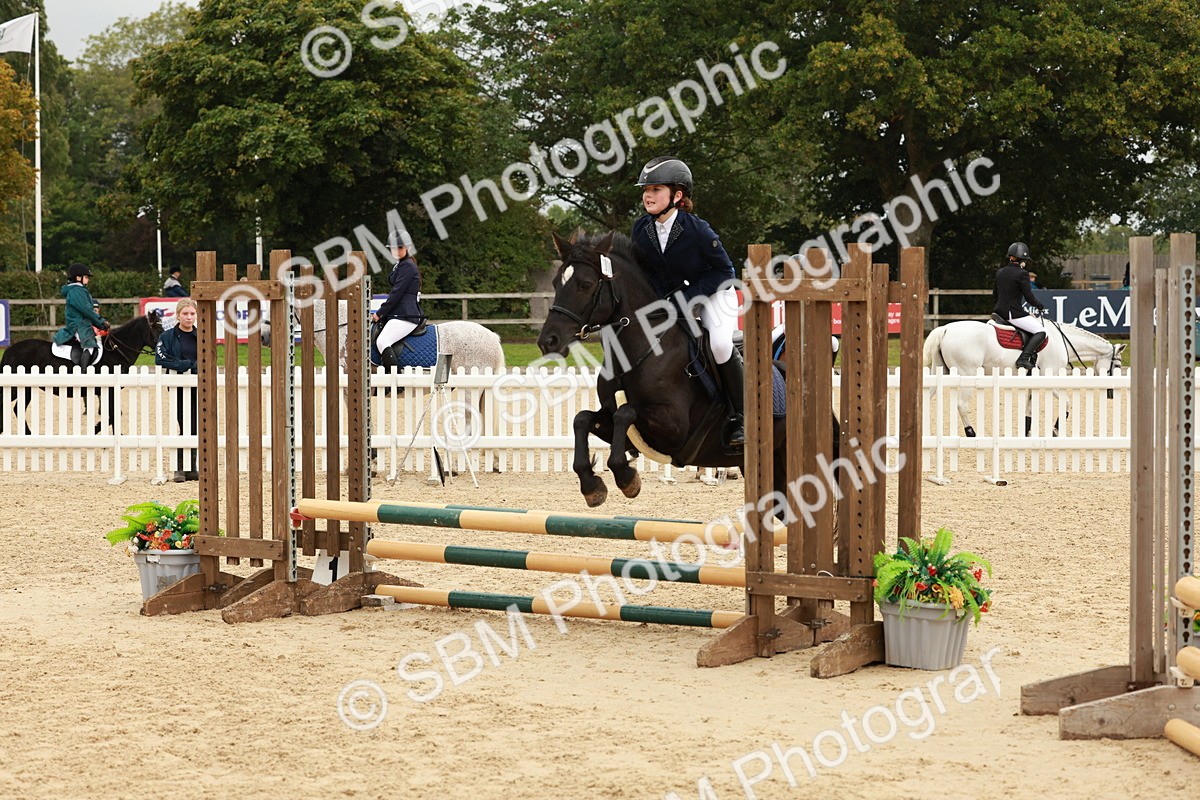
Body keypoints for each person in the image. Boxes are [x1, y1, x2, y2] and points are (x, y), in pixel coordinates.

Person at [631, 155, 743, 447]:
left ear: (677, 195)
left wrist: (685, 299)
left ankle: (740, 416)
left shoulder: (697, 230)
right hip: (672, 301)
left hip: (715, 295)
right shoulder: (641, 230)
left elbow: (724, 271)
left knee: (718, 344)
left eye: (655, 189)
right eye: (646, 189)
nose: (647, 195)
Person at [155, 298, 199, 482]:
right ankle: (178, 467)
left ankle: (192, 466)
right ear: (178, 315)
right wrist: (181, 364)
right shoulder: (167, 336)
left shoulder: (202, 334)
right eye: (185, 314)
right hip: (177, 385)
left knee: (196, 424)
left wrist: (195, 365)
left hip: (198, 384)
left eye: (192, 314)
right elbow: (160, 357)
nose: (189, 317)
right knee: (181, 423)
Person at [371, 229, 425, 369]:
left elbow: (397, 293)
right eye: (393, 248)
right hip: (399, 313)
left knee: (382, 341)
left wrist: (379, 313)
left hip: (406, 315)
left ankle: (397, 381)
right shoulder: (400, 264)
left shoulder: (407, 265)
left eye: (400, 247)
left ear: (408, 248)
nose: (396, 251)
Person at [993, 242, 1047, 373]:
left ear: (1010, 257)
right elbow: (1028, 297)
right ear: (1023, 261)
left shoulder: (1000, 272)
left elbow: (995, 294)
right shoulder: (1022, 274)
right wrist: (1039, 305)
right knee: (1041, 332)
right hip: (1012, 313)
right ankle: (1023, 358)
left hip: (998, 311)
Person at [52, 263, 110, 367]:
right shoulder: (76, 291)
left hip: (82, 324)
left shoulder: (79, 290)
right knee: (90, 346)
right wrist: (101, 322)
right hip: (79, 326)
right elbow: (87, 310)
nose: (88, 280)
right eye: (86, 277)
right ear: (78, 277)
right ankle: (83, 375)